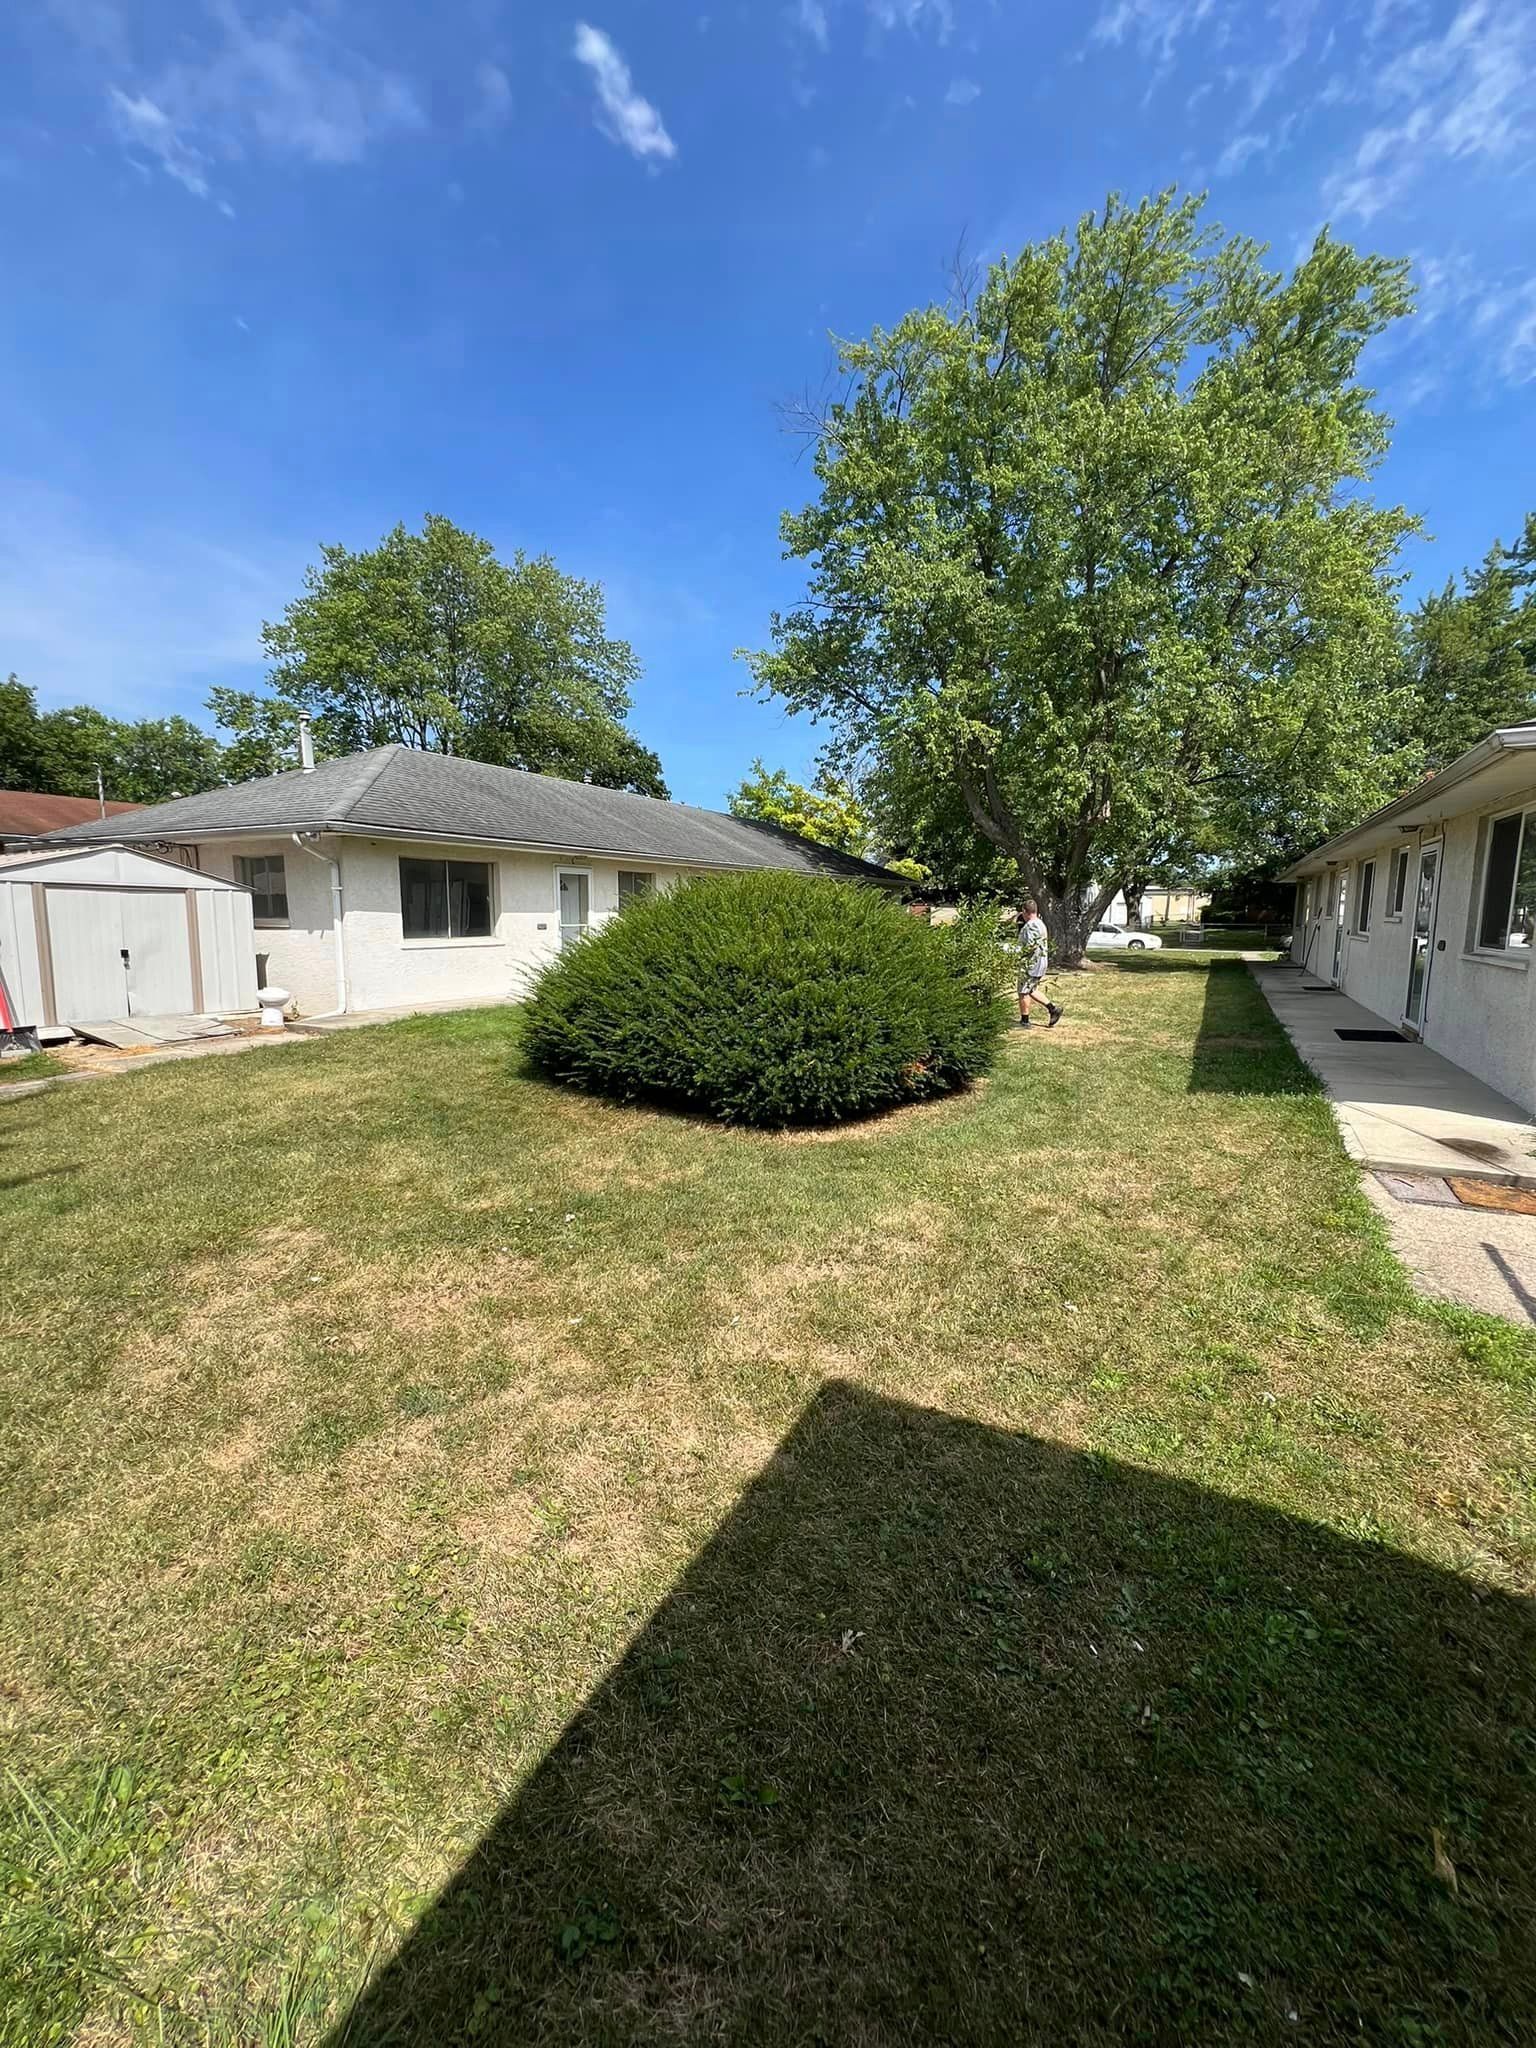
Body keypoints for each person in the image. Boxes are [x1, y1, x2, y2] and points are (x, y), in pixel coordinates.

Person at [1016, 899, 1063, 1029]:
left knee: (1023, 991)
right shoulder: (1040, 923)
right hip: (1039, 962)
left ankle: (1025, 1021)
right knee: (1031, 989)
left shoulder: (1031, 925)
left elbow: (1031, 945)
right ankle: (1053, 1009)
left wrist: (1017, 952)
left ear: (1025, 911)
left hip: (1031, 964)